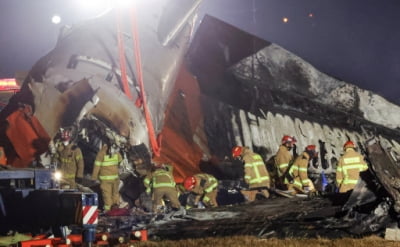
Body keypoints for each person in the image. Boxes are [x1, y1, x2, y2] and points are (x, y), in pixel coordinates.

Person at [92, 143, 122, 211]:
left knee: (107, 195)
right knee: (115, 194)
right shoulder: (116, 152)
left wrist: (94, 177)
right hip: (115, 178)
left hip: (105, 179)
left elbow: (97, 166)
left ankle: (108, 211)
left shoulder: (101, 152)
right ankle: (116, 210)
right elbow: (120, 161)